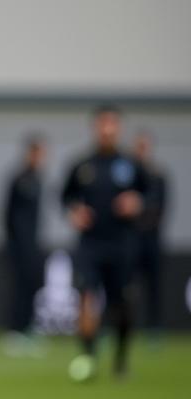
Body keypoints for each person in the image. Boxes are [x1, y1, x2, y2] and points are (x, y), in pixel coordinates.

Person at [61, 106, 146, 381]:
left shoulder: (131, 165)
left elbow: (151, 195)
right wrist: (74, 211)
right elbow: (65, 197)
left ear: (118, 128)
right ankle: (88, 355)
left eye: (112, 125)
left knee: (122, 303)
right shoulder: (82, 165)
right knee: (86, 295)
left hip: (122, 243)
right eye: (102, 125)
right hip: (90, 244)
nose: (107, 130)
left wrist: (137, 202)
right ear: (96, 128)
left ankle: (121, 360)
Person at [1, 135, 47, 356]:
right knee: (19, 288)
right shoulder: (19, 179)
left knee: (32, 286)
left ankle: (28, 328)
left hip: (33, 246)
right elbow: (7, 214)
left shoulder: (38, 179)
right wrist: (14, 243)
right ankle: (14, 332)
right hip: (19, 247)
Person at [132, 130, 167, 345]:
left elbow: (160, 209)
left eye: (144, 146)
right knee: (123, 287)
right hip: (129, 242)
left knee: (153, 286)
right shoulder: (128, 175)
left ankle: (154, 327)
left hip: (152, 241)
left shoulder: (158, 176)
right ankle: (117, 328)